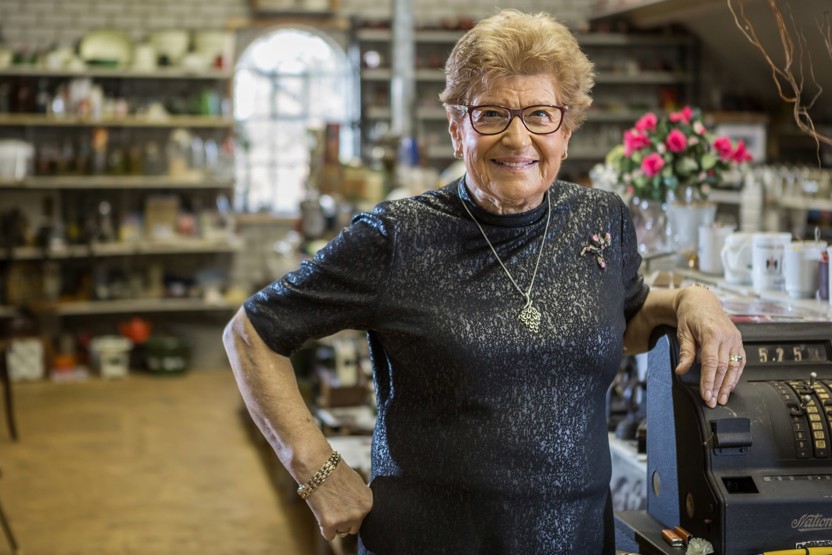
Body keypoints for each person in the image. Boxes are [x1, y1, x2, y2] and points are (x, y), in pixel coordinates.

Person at [223, 9, 746, 554]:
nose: (518, 137)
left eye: (541, 114)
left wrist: (690, 297)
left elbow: (622, 318)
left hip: (578, 540)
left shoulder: (602, 220)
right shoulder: (397, 236)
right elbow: (250, 334)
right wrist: (316, 469)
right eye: (491, 113)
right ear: (457, 128)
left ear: (566, 132)